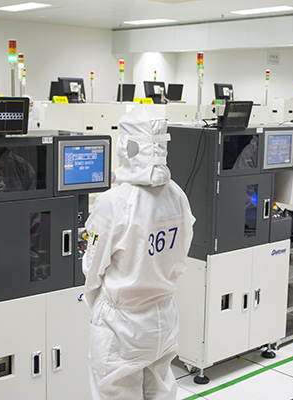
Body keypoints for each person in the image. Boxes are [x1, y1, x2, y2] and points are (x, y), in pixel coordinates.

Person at [83, 107, 195, 400]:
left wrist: (98, 304)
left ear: (126, 145)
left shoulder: (113, 202)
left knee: (116, 393)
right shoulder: (177, 195)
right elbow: (182, 250)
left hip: (122, 325)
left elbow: (93, 268)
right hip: (163, 317)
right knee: (160, 391)